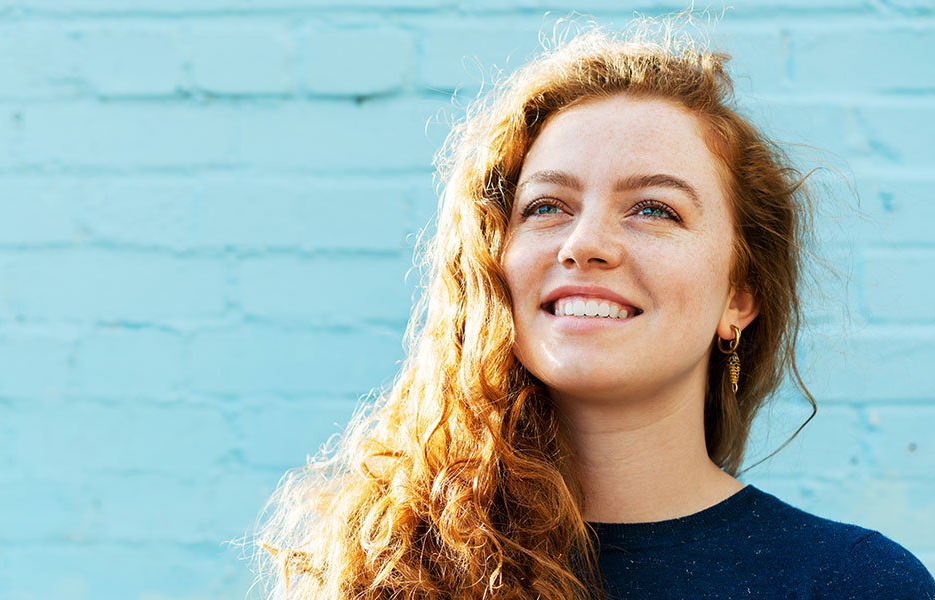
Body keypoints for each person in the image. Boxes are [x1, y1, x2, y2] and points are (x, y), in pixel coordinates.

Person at [253, 18, 935, 600]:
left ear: (739, 296)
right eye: (547, 207)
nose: (585, 244)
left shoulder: (856, 583)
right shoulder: (387, 566)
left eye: (653, 209)